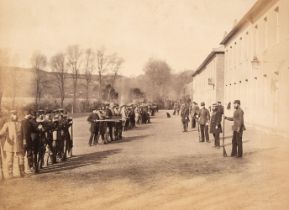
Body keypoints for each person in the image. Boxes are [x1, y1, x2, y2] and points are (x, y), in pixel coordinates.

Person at [0, 110, 25, 178]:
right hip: (9, 144)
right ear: (10, 116)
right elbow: (2, 131)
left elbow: (23, 134)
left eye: (15, 114)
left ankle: (22, 172)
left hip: (19, 144)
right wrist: (1, 135)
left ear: (17, 115)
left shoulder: (20, 124)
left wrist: (24, 141)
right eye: (13, 114)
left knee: (21, 158)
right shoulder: (7, 124)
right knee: (9, 160)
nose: (14, 116)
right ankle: (10, 174)